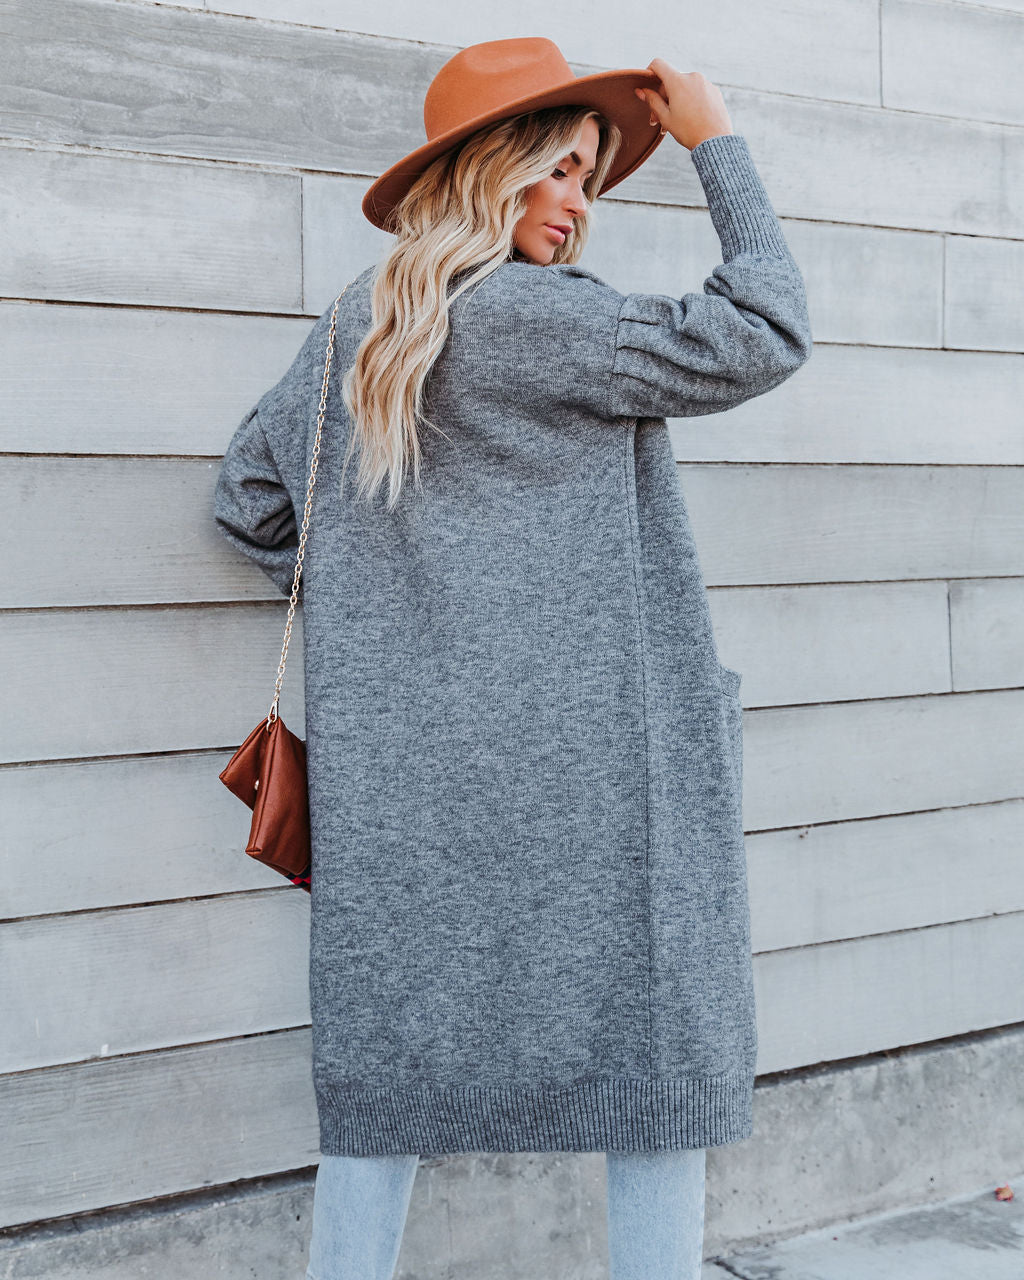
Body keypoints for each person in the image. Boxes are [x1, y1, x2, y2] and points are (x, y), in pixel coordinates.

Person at [213, 36, 813, 1280]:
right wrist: (714, 142)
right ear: (488, 170)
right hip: (598, 766)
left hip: (410, 785)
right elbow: (762, 328)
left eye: (590, 177)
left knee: (388, 1069)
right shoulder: (549, 319)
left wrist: (383, 614)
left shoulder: (354, 326)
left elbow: (248, 503)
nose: (577, 203)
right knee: (655, 1049)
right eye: (560, 168)